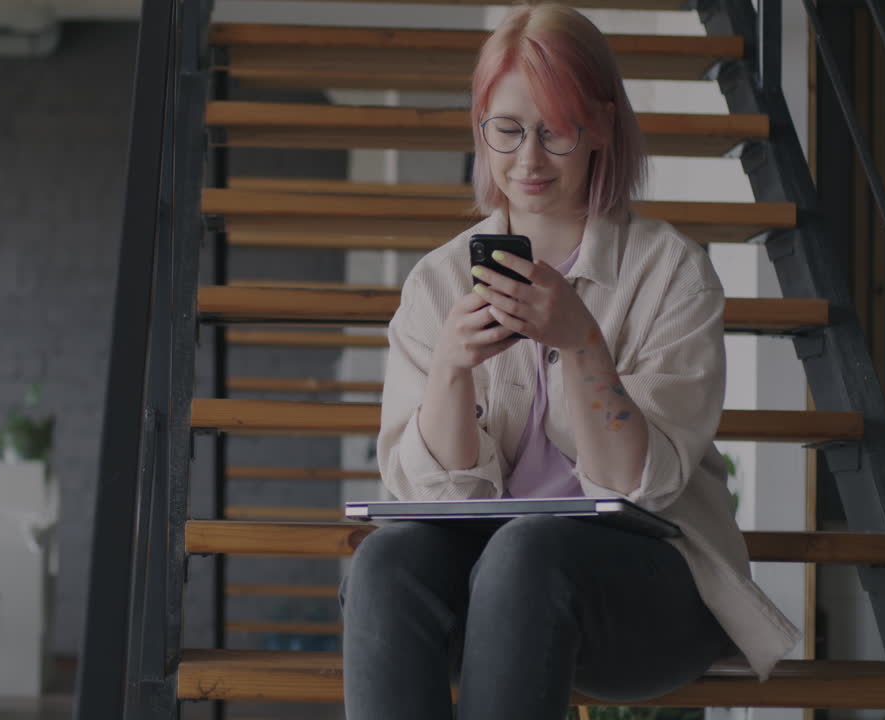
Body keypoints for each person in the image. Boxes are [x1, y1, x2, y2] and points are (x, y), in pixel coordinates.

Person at [341, 5, 800, 718]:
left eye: (555, 130)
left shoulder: (670, 272)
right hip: (494, 595)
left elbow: (638, 488)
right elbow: (443, 503)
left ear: (602, 128)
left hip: (647, 597)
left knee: (529, 551)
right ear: (481, 127)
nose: (528, 159)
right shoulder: (437, 284)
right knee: (385, 560)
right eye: (508, 128)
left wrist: (583, 341)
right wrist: (451, 372)